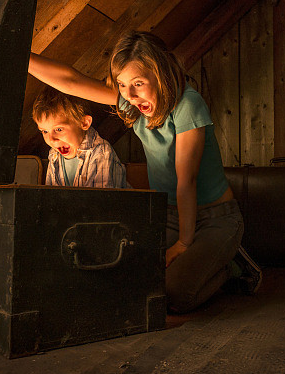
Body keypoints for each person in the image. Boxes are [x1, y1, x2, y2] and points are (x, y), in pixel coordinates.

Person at [28, 31, 261, 313]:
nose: (129, 95)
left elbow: (186, 181)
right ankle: (208, 262)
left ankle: (230, 266)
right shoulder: (134, 103)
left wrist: (183, 244)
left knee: (174, 294)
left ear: (160, 74)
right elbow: (72, 81)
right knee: (125, 279)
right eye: (122, 85)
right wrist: (22, 56)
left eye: (138, 83)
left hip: (215, 218)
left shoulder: (188, 105)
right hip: (170, 215)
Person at [32, 86, 127, 188]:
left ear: (84, 123)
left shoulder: (101, 152)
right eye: (45, 131)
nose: (52, 139)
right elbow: (50, 193)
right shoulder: (54, 154)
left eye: (59, 129)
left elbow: (98, 197)